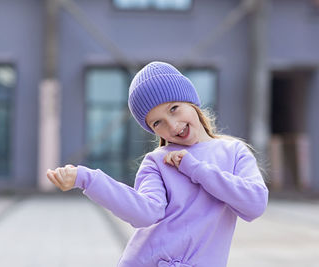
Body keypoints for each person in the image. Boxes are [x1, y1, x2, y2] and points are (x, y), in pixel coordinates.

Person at [46, 61, 269, 267]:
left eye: (174, 108)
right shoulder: (157, 162)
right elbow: (145, 213)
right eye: (157, 122)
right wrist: (87, 179)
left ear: (191, 101)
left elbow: (254, 204)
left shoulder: (234, 152)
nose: (172, 126)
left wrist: (195, 169)